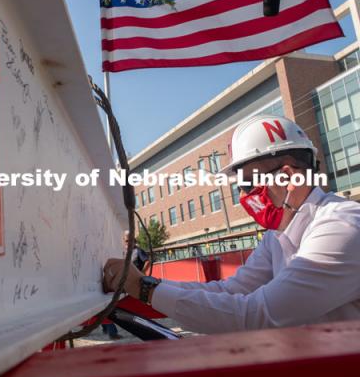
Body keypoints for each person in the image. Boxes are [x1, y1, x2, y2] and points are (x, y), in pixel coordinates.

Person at [103, 115, 360, 334]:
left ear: (286, 177)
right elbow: (229, 291)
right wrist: (146, 284)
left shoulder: (341, 228)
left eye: (248, 184)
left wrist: (143, 288)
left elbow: (255, 316)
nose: (243, 196)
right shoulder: (279, 234)